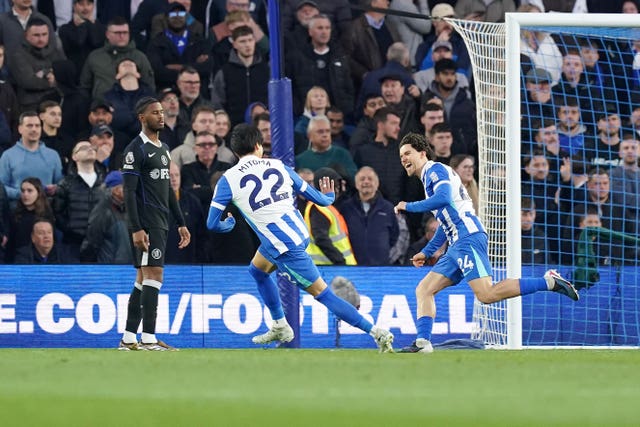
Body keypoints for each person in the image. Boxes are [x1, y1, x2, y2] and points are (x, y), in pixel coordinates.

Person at [206, 123, 394, 352]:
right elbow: (320, 199)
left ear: (235, 152)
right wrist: (329, 196)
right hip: (295, 233)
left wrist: (228, 224)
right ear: (259, 146)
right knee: (257, 270)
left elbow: (212, 223)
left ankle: (376, 332)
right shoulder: (279, 166)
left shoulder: (228, 179)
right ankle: (279, 324)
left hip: (284, 247)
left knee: (323, 294)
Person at [394, 133, 579, 353]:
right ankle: (423, 344)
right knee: (424, 289)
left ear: (422, 153)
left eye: (408, 153)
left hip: (468, 237)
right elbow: (446, 222)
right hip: (456, 243)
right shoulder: (428, 179)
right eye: (401, 156)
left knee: (486, 294)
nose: (404, 158)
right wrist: (427, 251)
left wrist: (409, 206)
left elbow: (443, 198)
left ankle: (549, 282)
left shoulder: (435, 170)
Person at [119, 96, 191, 351]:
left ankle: (129, 338)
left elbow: (168, 189)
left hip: (161, 221)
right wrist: (136, 228)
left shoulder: (163, 148)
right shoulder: (135, 150)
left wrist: (180, 221)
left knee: (142, 278)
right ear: (142, 118)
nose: (161, 116)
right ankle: (148, 338)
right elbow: (129, 192)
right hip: (147, 222)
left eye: (161, 112)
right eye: (154, 113)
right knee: (154, 275)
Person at [340, 166, 399, 265]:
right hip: (353, 266)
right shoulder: (346, 208)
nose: (366, 182)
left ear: (377, 184)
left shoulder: (388, 208)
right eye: (362, 179)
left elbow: (394, 235)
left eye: (370, 179)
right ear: (356, 184)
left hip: (381, 266)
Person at [0, 111, 63, 203]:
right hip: (17, 211)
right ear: (20, 129)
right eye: (29, 125)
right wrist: (22, 194)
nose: (34, 129)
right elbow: (1, 187)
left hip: (47, 210)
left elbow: (60, 185)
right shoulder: (8, 155)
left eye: (37, 126)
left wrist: (55, 189)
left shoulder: (53, 155)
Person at [303, 167, 356, 265]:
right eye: (335, 185)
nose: (338, 189)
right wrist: (340, 260)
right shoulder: (319, 207)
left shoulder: (325, 207)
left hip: (333, 267)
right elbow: (321, 238)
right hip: (329, 268)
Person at [80, 170, 133, 263]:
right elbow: (92, 242)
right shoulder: (102, 211)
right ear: (116, 190)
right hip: (110, 270)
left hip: (127, 269)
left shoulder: (127, 209)